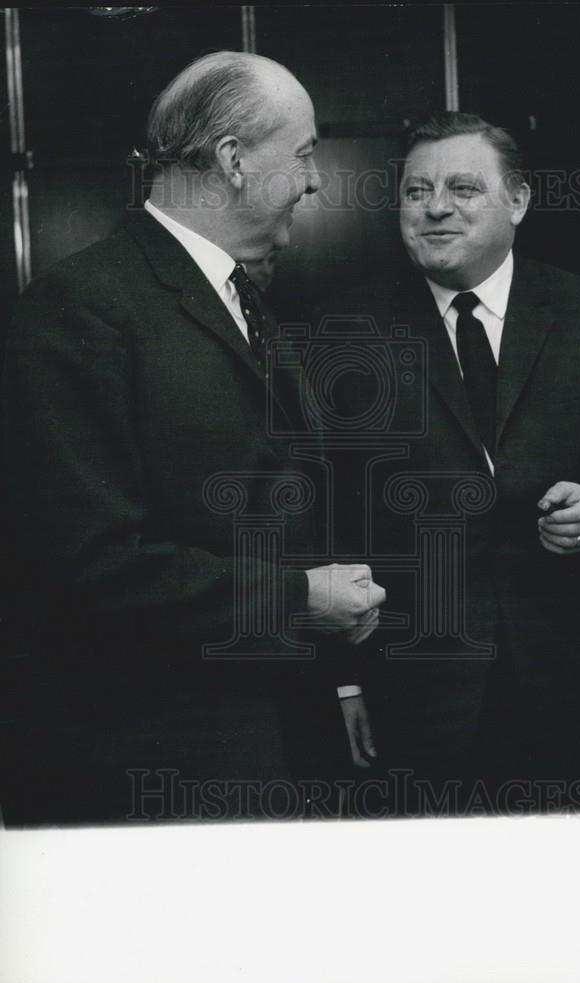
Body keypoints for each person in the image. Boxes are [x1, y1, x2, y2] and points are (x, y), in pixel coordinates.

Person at [0, 51, 384, 825]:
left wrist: (337, 679)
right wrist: (299, 600)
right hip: (154, 762)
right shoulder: (78, 310)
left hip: (274, 743)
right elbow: (96, 567)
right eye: (306, 153)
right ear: (234, 160)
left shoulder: (247, 299)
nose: (315, 182)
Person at [321, 112, 580, 814]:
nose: (434, 207)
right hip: (417, 695)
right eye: (416, 190)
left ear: (516, 201)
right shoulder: (346, 329)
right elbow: (324, 516)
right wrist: (344, 682)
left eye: (462, 187)